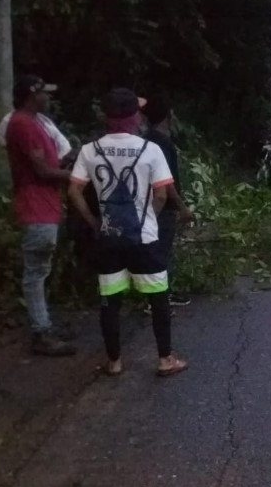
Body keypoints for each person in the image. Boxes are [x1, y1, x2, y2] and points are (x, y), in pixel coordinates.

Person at [67, 88, 187, 377]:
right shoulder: (151, 150)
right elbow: (161, 195)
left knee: (110, 301)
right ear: (135, 117)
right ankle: (165, 359)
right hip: (143, 238)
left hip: (109, 237)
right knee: (158, 298)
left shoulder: (89, 150)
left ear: (107, 117)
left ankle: (115, 361)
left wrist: (94, 222)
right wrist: (149, 219)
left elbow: (74, 190)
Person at [4, 75, 77, 356]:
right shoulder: (24, 124)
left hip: (43, 206)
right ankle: (41, 332)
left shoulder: (33, 124)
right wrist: (76, 174)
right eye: (44, 93)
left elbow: (47, 166)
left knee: (40, 270)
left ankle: (43, 324)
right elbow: (42, 172)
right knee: (35, 273)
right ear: (32, 95)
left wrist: (66, 162)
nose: (48, 98)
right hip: (36, 207)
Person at [142, 94, 193, 307]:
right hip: (160, 207)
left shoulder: (148, 140)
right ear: (168, 115)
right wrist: (183, 208)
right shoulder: (161, 143)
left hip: (151, 204)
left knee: (159, 252)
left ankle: (163, 294)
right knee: (159, 253)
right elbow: (166, 182)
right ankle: (157, 300)